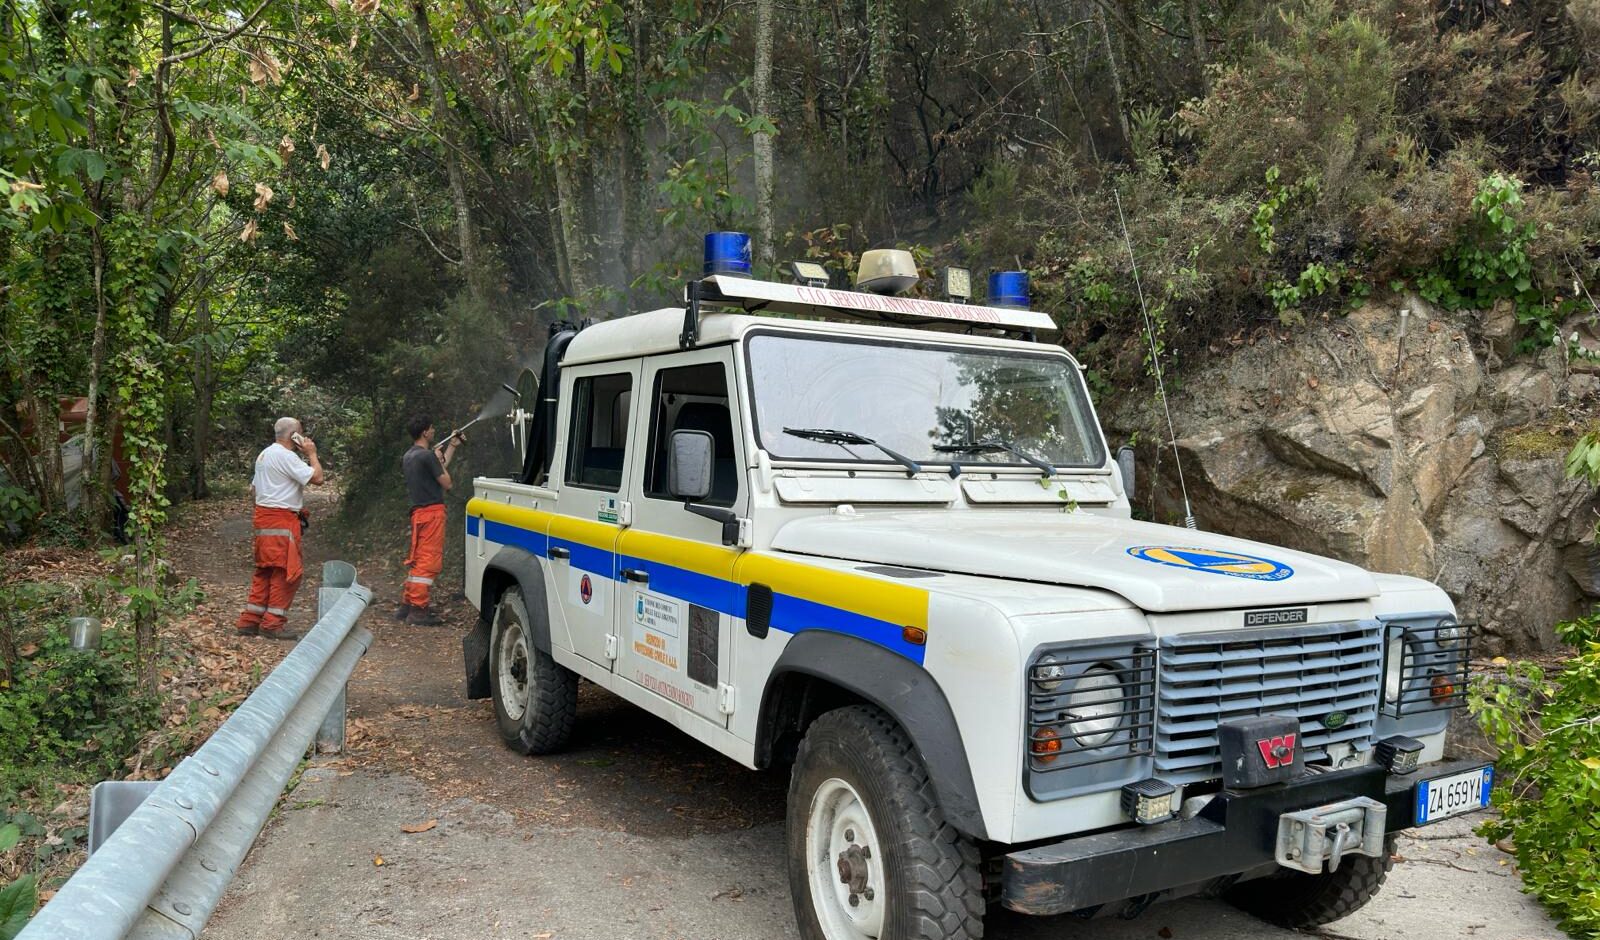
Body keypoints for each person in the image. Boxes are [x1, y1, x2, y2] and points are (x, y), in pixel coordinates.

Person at [237, 417, 324, 640]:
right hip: (281, 521)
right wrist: (312, 454)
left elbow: (254, 491)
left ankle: (250, 621)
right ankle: (273, 624)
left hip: (262, 518)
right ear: (294, 435)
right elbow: (318, 478)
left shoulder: (264, 454)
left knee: (265, 569)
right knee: (287, 572)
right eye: (301, 433)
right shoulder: (286, 456)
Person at [397, 416, 459, 625]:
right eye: (431, 428)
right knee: (428, 562)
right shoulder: (427, 457)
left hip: (418, 514)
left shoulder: (410, 455)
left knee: (418, 560)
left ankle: (407, 605)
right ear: (425, 432)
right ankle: (418, 611)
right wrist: (436, 457)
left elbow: (437, 471)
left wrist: (451, 447)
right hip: (432, 513)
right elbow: (447, 482)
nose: (433, 431)